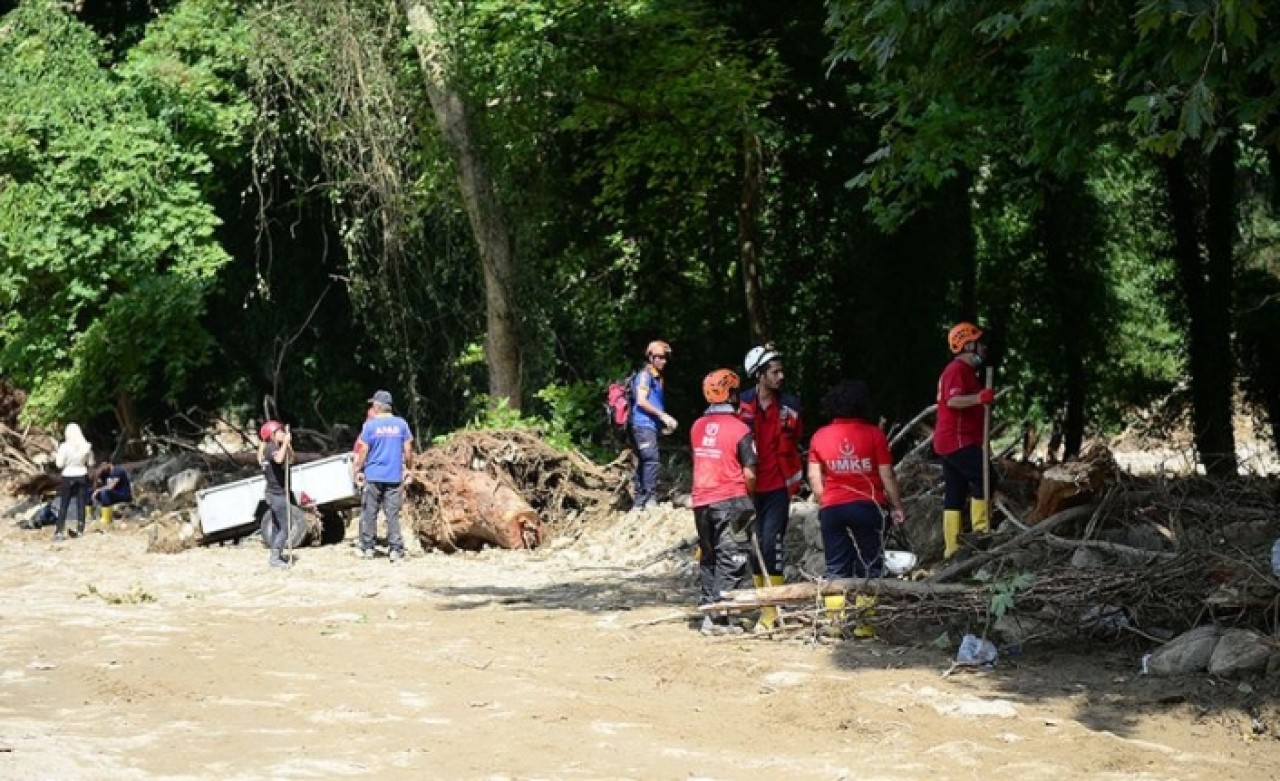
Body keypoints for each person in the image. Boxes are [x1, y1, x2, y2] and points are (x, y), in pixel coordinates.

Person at [807, 380, 906, 639]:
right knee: (870, 565)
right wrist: (897, 507)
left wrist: (825, 501)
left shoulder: (819, 436)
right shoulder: (874, 435)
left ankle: (834, 624)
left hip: (833, 508)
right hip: (868, 507)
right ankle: (865, 625)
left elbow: (814, 478)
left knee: (835, 567)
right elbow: (887, 476)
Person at [738, 344, 804, 631]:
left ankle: (771, 611)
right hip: (748, 488)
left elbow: (796, 438)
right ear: (759, 374)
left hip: (778, 486)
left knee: (771, 544)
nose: (781, 376)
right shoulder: (740, 404)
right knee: (754, 548)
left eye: (781, 371)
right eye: (774, 372)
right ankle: (763, 604)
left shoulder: (791, 406)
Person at [690, 369, 757, 636]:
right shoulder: (741, 429)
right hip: (731, 499)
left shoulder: (697, 427)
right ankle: (718, 617)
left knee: (709, 556)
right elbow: (750, 472)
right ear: (731, 394)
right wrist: (750, 497)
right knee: (732, 556)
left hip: (701, 500)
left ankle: (709, 609)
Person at [933, 322, 996, 558]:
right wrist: (979, 398)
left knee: (955, 491)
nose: (984, 347)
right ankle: (981, 532)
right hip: (957, 441)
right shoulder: (956, 370)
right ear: (968, 345)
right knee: (985, 476)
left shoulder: (968, 372)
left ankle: (952, 549)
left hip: (954, 441)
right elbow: (953, 401)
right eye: (980, 343)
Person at [350, 390, 415, 562]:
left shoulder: (370, 426)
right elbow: (408, 449)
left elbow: (363, 449)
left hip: (373, 475)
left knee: (370, 512)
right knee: (392, 514)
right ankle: (395, 550)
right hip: (393, 476)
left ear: (378, 407)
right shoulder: (401, 424)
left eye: (373, 405)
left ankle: (368, 548)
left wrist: (357, 469)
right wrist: (408, 469)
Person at [629, 340, 678, 511]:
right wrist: (663, 416)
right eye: (660, 357)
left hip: (648, 425)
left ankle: (639, 502)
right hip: (642, 424)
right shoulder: (645, 375)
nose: (663, 361)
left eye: (665, 358)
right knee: (650, 459)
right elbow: (641, 401)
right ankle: (649, 500)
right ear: (650, 357)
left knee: (644, 461)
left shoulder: (656, 378)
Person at [259, 420, 294, 569]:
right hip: (276, 494)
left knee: (277, 526)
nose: (282, 433)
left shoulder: (276, 447)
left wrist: (288, 445)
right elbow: (279, 459)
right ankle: (274, 558)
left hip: (277, 493)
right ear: (272, 435)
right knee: (286, 527)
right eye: (279, 431)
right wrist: (285, 443)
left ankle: (276, 554)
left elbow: (291, 459)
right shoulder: (270, 448)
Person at [53, 423, 94, 541]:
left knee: (64, 504)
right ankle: (80, 529)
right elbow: (91, 463)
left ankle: (59, 531)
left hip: (68, 475)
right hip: (81, 474)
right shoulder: (86, 446)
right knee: (81, 504)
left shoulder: (64, 447)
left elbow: (59, 464)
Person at [91, 460, 133, 527]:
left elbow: (111, 486)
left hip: (123, 494)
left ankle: (107, 518)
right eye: (101, 466)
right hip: (112, 494)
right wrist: (97, 476)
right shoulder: (104, 473)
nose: (102, 468)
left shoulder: (118, 471)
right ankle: (90, 516)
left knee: (104, 492)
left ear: (109, 464)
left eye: (103, 465)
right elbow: (95, 487)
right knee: (90, 492)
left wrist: (98, 490)